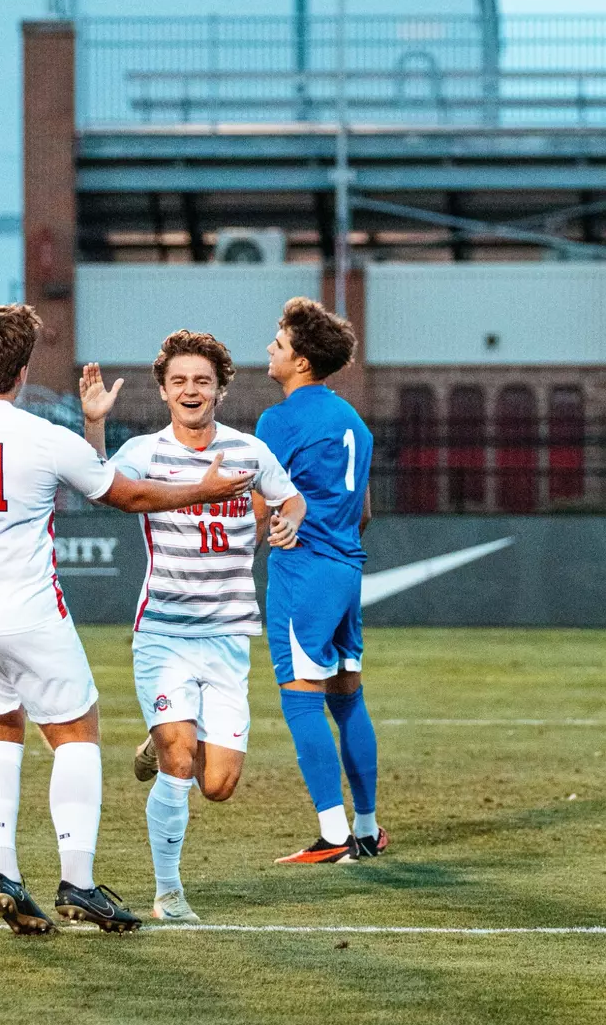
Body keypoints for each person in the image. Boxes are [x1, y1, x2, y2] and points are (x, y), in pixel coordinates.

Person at [0, 304, 254, 936]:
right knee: (76, 736)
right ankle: (80, 884)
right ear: (22, 368)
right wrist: (206, 490)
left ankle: (3, 872)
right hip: (29, 614)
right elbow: (130, 494)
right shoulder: (43, 437)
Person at [80, 330, 305, 921]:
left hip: (229, 637)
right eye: (179, 380)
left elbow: (291, 499)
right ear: (163, 390)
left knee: (220, 785)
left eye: (201, 380)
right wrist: (97, 426)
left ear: (220, 390)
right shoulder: (145, 451)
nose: (190, 390)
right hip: (164, 634)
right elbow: (103, 486)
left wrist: (287, 523)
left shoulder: (250, 452)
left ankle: (159, 741)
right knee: (181, 765)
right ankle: (169, 893)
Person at [256, 297, 387, 865]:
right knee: (347, 697)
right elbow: (363, 512)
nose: (270, 348)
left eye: (279, 343)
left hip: (303, 570)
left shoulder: (280, 419)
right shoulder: (353, 420)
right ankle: (367, 828)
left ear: (302, 361)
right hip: (346, 568)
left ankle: (333, 835)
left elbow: (266, 502)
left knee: (301, 700)